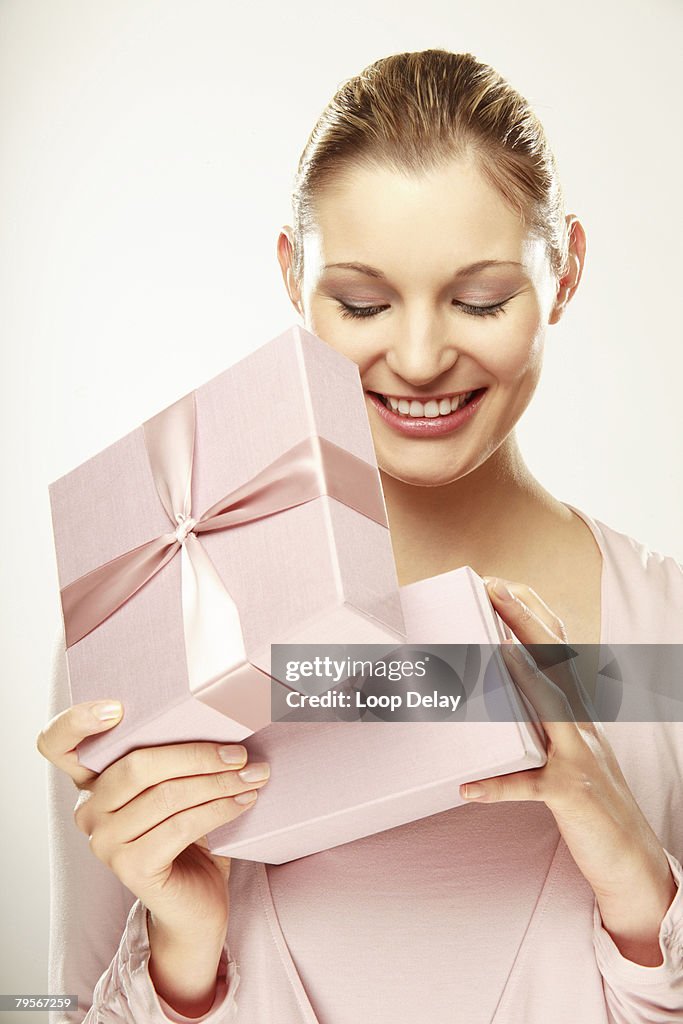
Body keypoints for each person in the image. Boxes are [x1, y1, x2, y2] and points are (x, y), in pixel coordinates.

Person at [38, 49, 683, 1023]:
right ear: (292, 276)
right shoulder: (153, 621)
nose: (419, 358)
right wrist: (182, 961)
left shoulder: (659, 634)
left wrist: (641, 886)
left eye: (478, 300)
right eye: (362, 303)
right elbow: (76, 1002)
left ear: (567, 271)